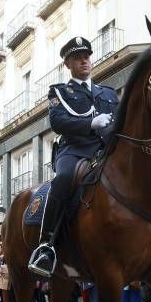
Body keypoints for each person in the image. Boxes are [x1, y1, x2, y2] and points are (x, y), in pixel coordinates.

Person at [29, 36, 119, 278]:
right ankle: (46, 246)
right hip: (74, 149)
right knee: (63, 179)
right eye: (78, 58)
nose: (84, 61)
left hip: (105, 150)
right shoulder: (60, 92)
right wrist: (91, 123)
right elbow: (58, 122)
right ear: (67, 64)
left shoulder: (108, 93)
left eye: (87, 56)